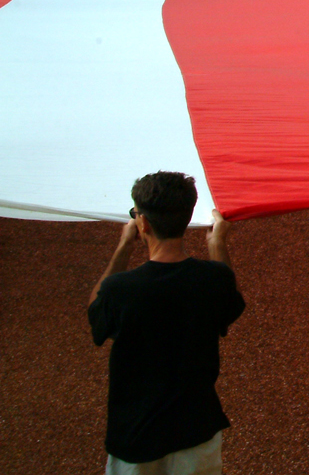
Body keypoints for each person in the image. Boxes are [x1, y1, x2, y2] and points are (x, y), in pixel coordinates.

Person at [89, 172, 244, 475]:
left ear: (143, 223)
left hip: (136, 433)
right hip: (197, 426)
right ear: (187, 219)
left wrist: (124, 245)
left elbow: (96, 310)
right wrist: (217, 243)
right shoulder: (212, 279)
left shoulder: (121, 289)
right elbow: (230, 301)